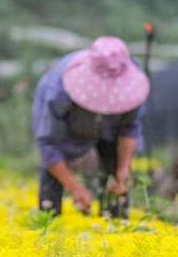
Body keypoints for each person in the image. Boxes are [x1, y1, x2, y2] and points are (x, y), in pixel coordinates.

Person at [32, 36, 150, 218]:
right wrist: (75, 188)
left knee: (116, 174)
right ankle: (48, 227)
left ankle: (115, 224)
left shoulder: (131, 79)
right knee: (52, 178)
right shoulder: (57, 91)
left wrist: (123, 170)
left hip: (110, 130)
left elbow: (129, 128)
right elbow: (49, 146)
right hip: (72, 126)